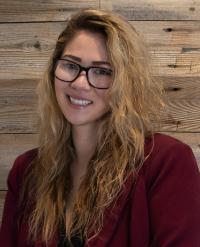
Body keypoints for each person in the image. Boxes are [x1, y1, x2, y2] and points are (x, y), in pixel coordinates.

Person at [0, 8, 200, 247]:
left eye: (102, 71)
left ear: (124, 83)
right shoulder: (26, 172)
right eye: (71, 65)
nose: (80, 83)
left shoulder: (164, 162)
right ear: (54, 70)